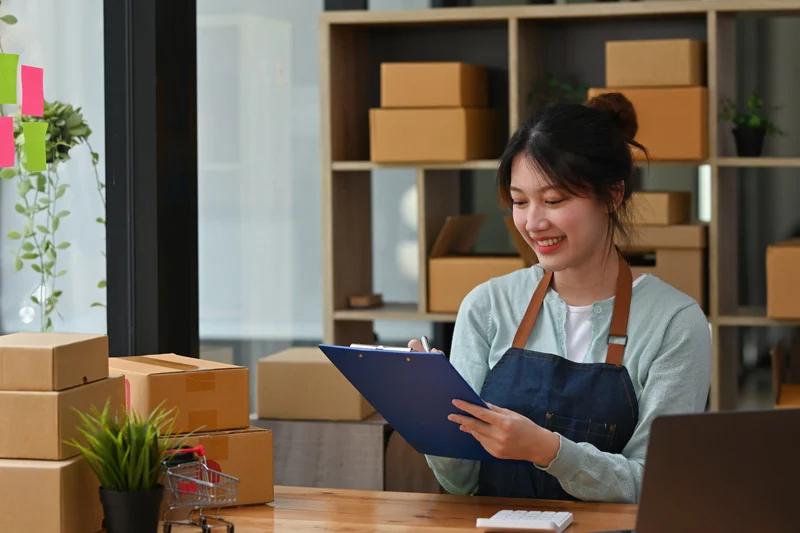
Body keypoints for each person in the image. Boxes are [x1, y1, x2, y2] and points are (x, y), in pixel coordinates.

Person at [408, 93, 712, 504]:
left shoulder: (674, 323)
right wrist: (428, 407)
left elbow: (656, 484)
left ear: (613, 195)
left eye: (554, 201)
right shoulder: (487, 306)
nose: (533, 222)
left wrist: (547, 450)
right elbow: (460, 482)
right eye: (519, 202)